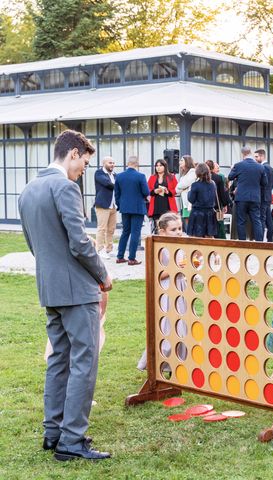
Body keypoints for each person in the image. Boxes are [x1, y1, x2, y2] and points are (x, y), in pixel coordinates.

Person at [18, 129, 112, 461]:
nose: (83, 170)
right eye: (84, 163)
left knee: (58, 360)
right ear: (73, 153)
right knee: (84, 363)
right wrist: (103, 275)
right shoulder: (65, 187)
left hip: (49, 288)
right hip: (77, 290)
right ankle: (72, 440)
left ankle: (52, 432)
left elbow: (34, 245)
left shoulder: (28, 190)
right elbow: (79, 242)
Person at [137, 212, 185, 371]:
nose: (178, 231)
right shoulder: (159, 248)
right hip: (166, 291)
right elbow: (157, 273)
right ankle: (160, 361)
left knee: (181, 325)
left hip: (180, 289)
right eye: (173, 229)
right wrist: (176, 267)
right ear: (162, 231)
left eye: (179, 228)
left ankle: (179, 361)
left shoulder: (180, 245)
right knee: (166, 326)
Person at [115, 156, 149, 266]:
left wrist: (120, 206)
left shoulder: (119, 176)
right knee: (135, 232)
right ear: (137, 164)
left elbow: (117, 194)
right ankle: (131, 258)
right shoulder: (140, 176)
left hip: (125, 208)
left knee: (125, 232)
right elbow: (146, 192)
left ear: (127, 163)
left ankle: (120, 257)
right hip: (138, 208)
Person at [228, 146, 267, 241]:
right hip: (255, 198)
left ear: (242, 154)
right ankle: (259, 243)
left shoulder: (239, 165)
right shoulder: (260, 167)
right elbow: (265, 183)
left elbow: (230, 177)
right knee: (256, 221)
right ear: (251, 153)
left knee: (241, 221)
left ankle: (242, 243)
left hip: (241, 197)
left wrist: (234, 170)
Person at [94, 156, 117, 259]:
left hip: (113, 205)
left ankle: (109, 249)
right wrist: (119, 185)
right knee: (102, 228)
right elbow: (108, 184)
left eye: (113, 163)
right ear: (104, 163)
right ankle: (100, 250)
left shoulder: (115, 175)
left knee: (111, 229)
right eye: (110, 163)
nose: (112, 164)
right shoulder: (99, 173)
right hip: (103, 205)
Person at [147, 159, 177, 233]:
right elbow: (147, 190)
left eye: (160, 165)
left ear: (165, 166)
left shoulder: (171, 177)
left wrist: (168, 191)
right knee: (158, 228)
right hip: (156, 206)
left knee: (168, 226)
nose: (158, 167)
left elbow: (176, 190)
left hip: (167, 205)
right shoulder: (152, 177)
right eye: (157, 166)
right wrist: (154, 191)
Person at [187, 163, 216, 237]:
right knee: (209, 237)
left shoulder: (195, 185)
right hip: (210, 213)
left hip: (197, 213)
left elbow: (191, 200)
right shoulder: (213, 184)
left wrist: (189, 192)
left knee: (196, 238)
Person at [205, 160, 231, 239]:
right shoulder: (218, 178)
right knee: (219, 226)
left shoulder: (202, 178)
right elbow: (222, 193)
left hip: (205, 207)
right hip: (216, 206)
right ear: (213, 167)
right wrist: (225, 204)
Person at [255, 148, 273, 241]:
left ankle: (261, 241)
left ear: (262, 156)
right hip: (267, 196)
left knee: (262, 219)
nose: (255, 159)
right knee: (269, 221)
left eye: (256, 156)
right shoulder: (269, 167)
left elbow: (264, 183)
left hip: (263, 197)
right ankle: (270, 239)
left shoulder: (265, 167)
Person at [175, 155, 197, 231]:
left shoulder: (193, 172)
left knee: (191, 224)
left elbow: (182, 184)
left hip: (190, 203)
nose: (179, 162)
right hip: (185, 203)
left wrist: (181, 186)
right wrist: (181, 187)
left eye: (182, 160)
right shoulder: (184, 175)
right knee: (187, 223)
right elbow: (177, 190)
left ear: (187, 162)